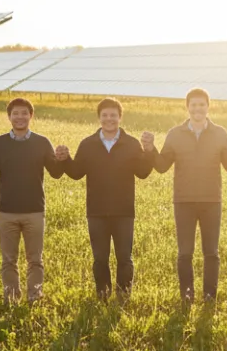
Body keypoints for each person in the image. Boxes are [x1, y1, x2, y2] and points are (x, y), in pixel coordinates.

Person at [56, 98, 156, 301]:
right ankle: (102, 294)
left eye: (113, 115)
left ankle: (123, 295)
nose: (109, 119)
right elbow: (76, 173)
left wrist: (149, 151)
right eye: (105, 115)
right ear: (99, 118)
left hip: (124, 211)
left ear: (120, 117)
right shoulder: (88, 144)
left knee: (124, 258)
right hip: (97, 211)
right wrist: (65, 159)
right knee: (100, 258)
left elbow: (143, 172)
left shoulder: (131, 144)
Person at [0, 97, 67, 304]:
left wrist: (62, 159)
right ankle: (11, 299)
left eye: (24, 113)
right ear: (9, 117)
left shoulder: (42, 142)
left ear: (31, 116)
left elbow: (56, 173)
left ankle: (35, 297)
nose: (20, 117)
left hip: (34, 211)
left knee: (35, 260)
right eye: (16, 113)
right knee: (8, 260)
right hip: (7, 212)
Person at [155, 88, 227, 302]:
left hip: (211, 200)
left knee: (211, 252)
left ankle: (210, 294)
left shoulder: (220, 133)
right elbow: (162, 166)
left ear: (208, 107)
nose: (197, 109)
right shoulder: (175, 134)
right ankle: (187, 294)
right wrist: (148, 150)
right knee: (185, 253)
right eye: (193, 105)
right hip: (183, 201)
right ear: (187, 107)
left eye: (202, 105)